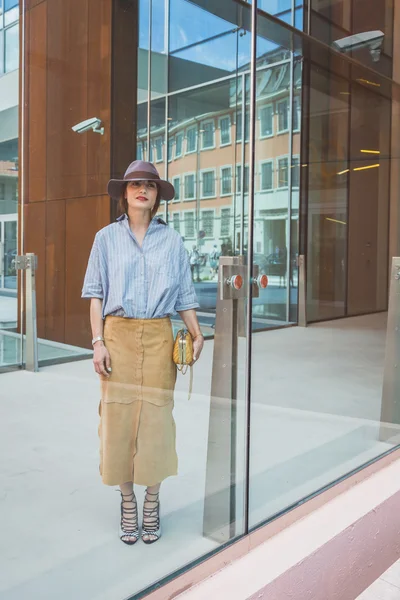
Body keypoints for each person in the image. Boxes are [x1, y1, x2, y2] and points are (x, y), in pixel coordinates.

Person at [82, 160, 204, 546]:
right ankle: (128, 502)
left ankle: (152, 500)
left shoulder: (172, 241)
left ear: (156, 197)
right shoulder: (105, 238)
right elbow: (95, 294)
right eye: (135, 184)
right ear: (124, 194)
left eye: (149, 186)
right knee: (116, 421)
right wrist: (97, 342)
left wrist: (198, 335)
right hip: (116, 335)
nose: (142, 190)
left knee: (156, 421)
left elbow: (184, 294)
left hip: (158, 336)